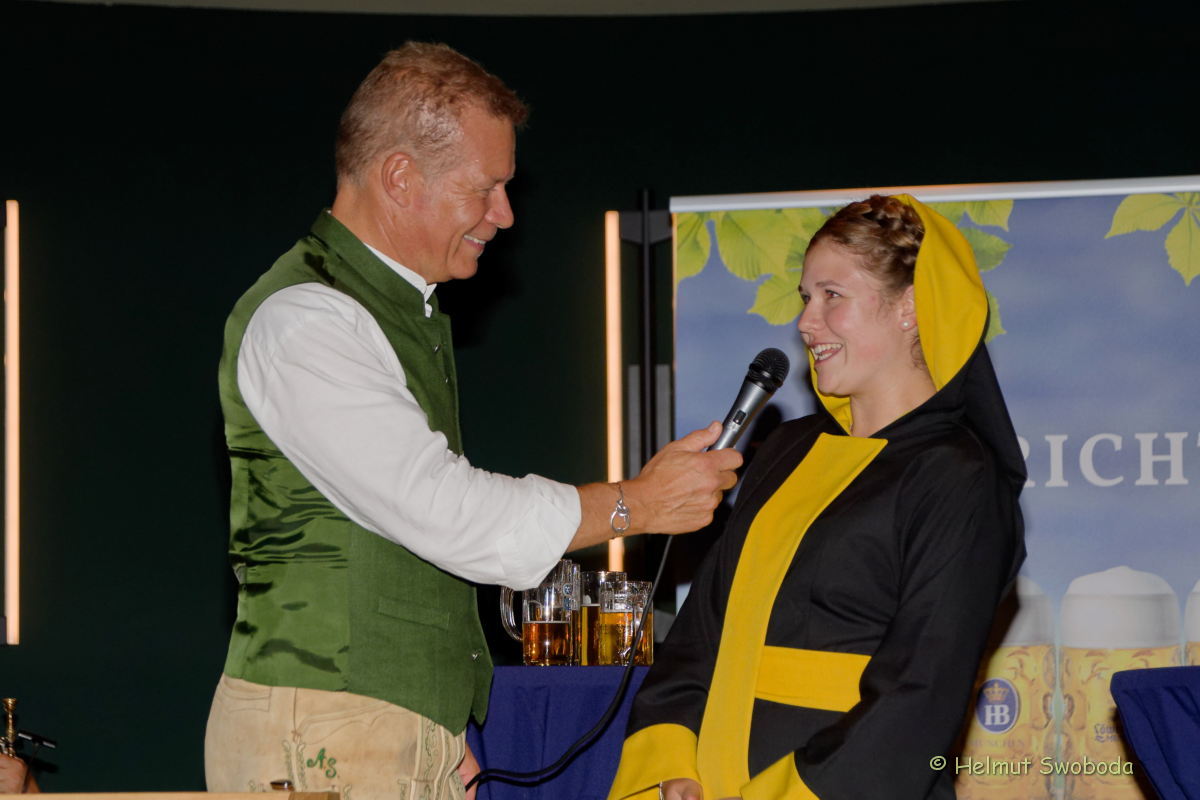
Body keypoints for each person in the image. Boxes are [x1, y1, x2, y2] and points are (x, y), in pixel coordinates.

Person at [204, 43, 742, 799]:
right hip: (323, 726)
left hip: (365, 726)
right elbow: (446, 511)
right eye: (485, 188)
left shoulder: (389, 312)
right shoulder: (307, 320)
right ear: (400, 177)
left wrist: (436, 722)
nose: (505, 214)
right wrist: (638, 504)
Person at [607, 194, 1026, 800]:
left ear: (910, 307)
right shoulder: (787, 448)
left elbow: (921, 690)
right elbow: (702, 630)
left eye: (833, 295)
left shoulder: (959, 475)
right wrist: (673, 761)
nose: (806, 322)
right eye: (806, 297)